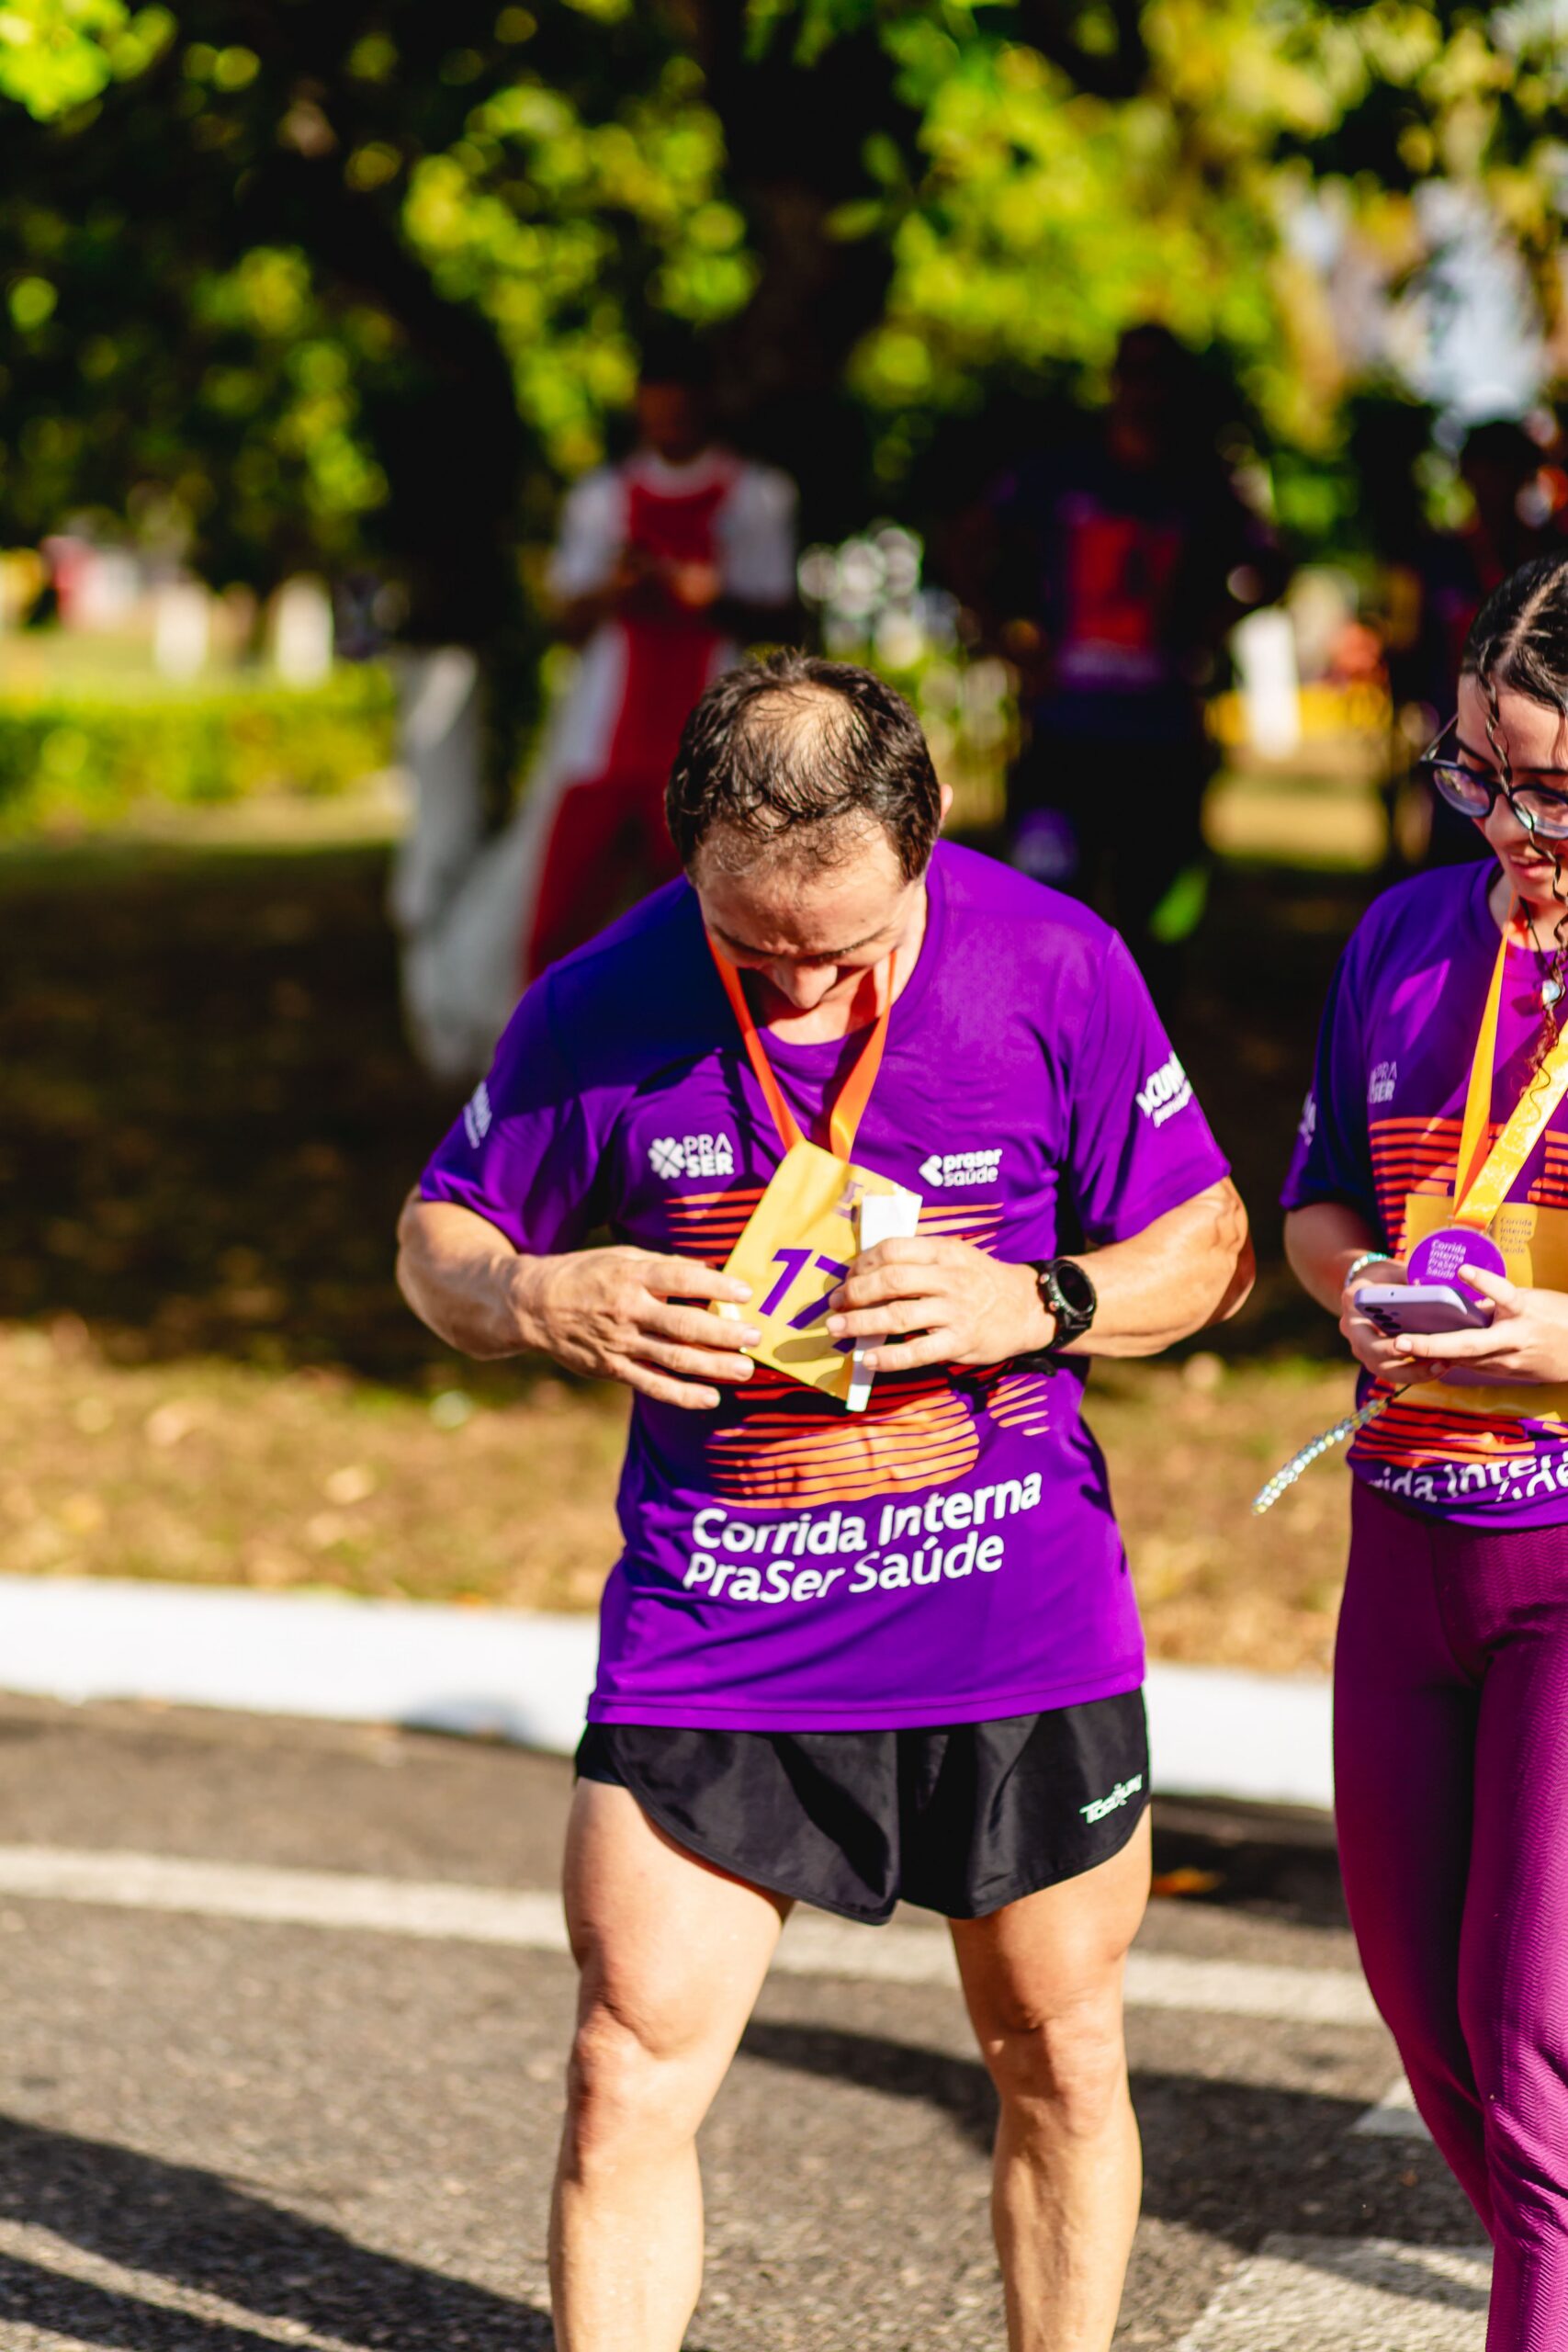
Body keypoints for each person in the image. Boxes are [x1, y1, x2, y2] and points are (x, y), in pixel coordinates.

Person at [397, 650, 1253, 2351]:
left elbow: (1211, 1247)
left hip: (1010, 1626)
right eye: (752, 950)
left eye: (844, 951)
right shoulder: (598, 1001)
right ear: (687, 858)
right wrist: (536, 1293)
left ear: (923, 844)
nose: (798, 994)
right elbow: (439, 1240)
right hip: (719, 1631)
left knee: (1060, 2058)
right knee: (622, 2069)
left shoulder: (1052, 964)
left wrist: (1040, 1300)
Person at [1283, 552, 1568, 2349]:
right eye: (1476, 773)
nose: (1507, 826)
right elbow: (1318, 1199)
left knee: (1533, 2038)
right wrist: (1361, 1292)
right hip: (1403, 1536)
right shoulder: (1403, 935)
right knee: (1429, 2020)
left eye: (1550, 789)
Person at [392, 332, 798, 1078]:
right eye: (657, 412)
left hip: (705, 743)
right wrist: (613, 591)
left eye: (681, 411)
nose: (669, 425)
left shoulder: (755, 496)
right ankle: (541, 1074)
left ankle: (722, 1074)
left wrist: (708, 597)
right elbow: (564, 618)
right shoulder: (601, 499)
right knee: (557, 924)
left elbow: (781, 612)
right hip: (600, 740)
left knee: (717, 925)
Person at [957, 322, 1280, 998]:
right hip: (1063, 736)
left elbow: (1273, 566)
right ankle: (1041, 1037)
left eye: (1158, 377)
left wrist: (1207, 631)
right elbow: (966, 544)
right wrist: (1006, 640)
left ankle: (1141, 1046)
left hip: (1160, 741)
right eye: (1132, 374)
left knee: (1154, 926)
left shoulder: (1203, 483)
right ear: (1112, 382)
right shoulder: (1058, 472)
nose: (1143, 393)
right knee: (1041, 910)